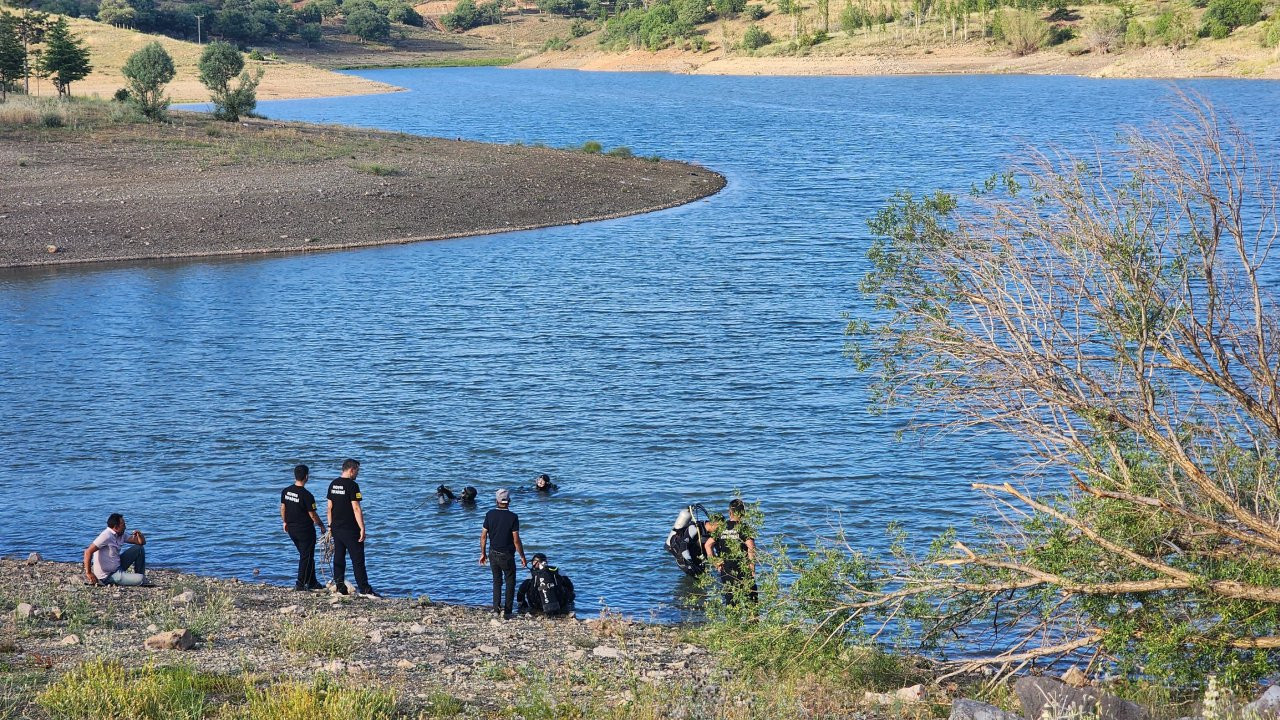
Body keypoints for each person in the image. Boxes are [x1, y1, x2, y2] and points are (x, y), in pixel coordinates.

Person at [327, 458, 380, 598]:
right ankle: (364, 588)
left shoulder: (333, 484)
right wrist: (362, 527)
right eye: (357, 470)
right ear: (351, 470)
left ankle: (340, 586)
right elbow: (356, 508)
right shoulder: (352, 486)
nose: (358, 473)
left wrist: (330, 526)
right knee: (358, 560)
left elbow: (329, 508)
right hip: (350, 529)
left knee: (338, 558)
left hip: (336, 528)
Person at [478, 488, 526, 618]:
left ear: (496, 501)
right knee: (510, 581)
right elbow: (516, 540)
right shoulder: (513, 517)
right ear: (509, 501)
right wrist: (522, 556)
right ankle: (508, 611)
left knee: (496, 581)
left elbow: (483, 536)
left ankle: (495, 609)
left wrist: (483, 553)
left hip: (493, 552)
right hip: (507, 555)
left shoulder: (489, 514)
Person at [702, 499, 757, 606]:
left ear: (730, 513)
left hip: (726, 571)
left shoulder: (721, 527)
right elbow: (751, 547)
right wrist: (752, 568)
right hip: (743, 570)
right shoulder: (744, 528)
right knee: (751, 603)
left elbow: (707, 545)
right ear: (743, 513)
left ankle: (732, 622)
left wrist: (715, 561)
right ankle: (752, 622)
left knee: (730, 602)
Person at [281, 464, 326, 591]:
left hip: (291, 529)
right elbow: (312, 514)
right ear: (306, 476)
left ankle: (312, 582)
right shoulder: (307, 495)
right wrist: (322, 525)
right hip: (305, 530)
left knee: (306, 555)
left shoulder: (286, 491)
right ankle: (300, 583)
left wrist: (284, 521)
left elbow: (283, 508)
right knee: (306, 556)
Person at [83, 513, 147, 586]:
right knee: (141, 579)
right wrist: (89, 573)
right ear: (116, 527)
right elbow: (88, 552)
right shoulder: (106, 536)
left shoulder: (121, 534)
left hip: (118, 566)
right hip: (108, 575)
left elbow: (141, 543)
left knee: (139, 548)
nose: (125, 527)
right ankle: (139, 579)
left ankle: (138, 575)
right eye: (123, 525)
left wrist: (140, 535)